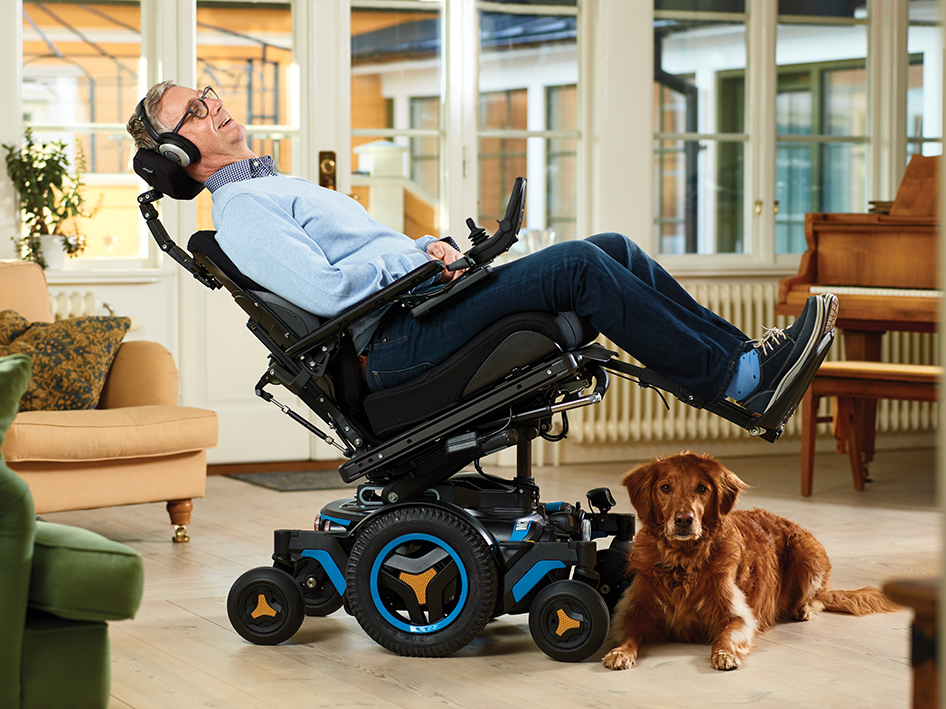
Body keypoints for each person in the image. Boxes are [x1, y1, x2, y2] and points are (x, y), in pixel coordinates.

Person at [127, 81, 836, 416]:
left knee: (612, 244)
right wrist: (416, 259)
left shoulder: (270, 185)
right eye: (193, 111)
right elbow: (331, 294)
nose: (213, 103)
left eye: (207, 93)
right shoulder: (245, 211)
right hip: (393, 346)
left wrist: (425, 250)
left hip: (416, 310)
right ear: (178, 152)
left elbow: (362, 262)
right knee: (584, 266)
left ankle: (744, 364)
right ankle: (740, 381)